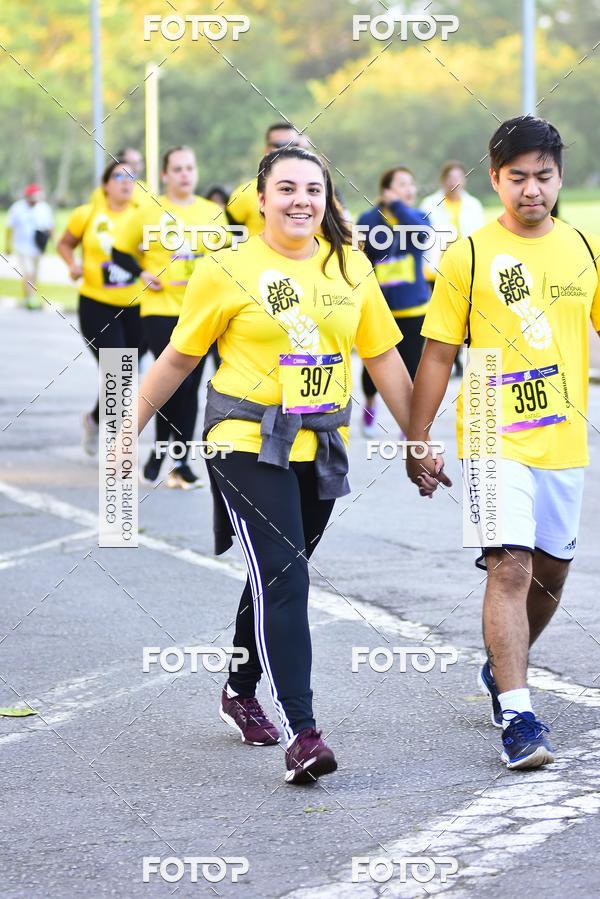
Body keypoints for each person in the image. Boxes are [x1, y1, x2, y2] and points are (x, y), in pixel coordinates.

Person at [136, 146, 440, 784]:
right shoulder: (226, 269)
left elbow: (385, 361)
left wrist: (419, 440)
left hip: (321, 444)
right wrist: (122, 430)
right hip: (242, 437)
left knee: (280, 571)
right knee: (284, 573)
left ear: (328, 199)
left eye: (314, 189)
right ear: (263, 197)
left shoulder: (352, 267)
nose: (301, 200)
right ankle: (304, 731)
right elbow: (176, 360)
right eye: (286, 188)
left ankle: (238, 686)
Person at [407, 116, 600, 770]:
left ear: (558, 178)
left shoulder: (583, 247)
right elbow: (437, 355)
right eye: (516, 177)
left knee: (551, 572)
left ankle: (500, 667)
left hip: (563, 435)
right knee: (510, 565)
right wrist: (417, 435)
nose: (530, 189)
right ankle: (518, 713)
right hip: (491, 428)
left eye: (542, 176)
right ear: (494, 179)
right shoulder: (469, 254)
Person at [112, 145, 228, 489]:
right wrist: (142, 274)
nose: (184, 174)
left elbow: (230, 258)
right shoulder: (149, 211)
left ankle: (170, 456)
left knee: (190, 385)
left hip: (202, 312)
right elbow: (119, 252)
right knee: (175, 382)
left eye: (189, 168)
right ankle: (170, 456)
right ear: (165, 174)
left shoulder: (212, 213)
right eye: (177, 168)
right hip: (160, 310)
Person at [57, 158, 143, 454]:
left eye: (131, 177)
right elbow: (64, 243)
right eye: (118, 176)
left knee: (123, 371)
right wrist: (72, 264)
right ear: (106, 184)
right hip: (97, 303)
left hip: (137, 305)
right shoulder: (88, 214)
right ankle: (114, 439)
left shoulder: (143, 216)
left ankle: (94, 418)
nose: (125, 182)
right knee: (116, 365)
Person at [357, 166, 431, 436]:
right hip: (379, 309)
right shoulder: (369, 219)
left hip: (413, 307)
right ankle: (369, 403)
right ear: (385, 189)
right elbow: (363, 254)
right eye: (401, 184)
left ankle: (409, 422)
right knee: (372, 370)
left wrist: (398, 206)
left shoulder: (417, 216)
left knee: (412, 367)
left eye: (411, 184)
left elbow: (421, 234)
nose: (409, 189)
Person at [226, 122, 299, 237]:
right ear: (266, 150)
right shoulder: (244, 193)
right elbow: (230, 238)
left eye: (293, 145)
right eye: (278, 145)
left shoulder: (320, 192)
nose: (286, 150)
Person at [5, 184, 54, 309]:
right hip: (22, 246)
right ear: (26, 196)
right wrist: (8, 245)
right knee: (28, 272)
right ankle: (31, 298)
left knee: (35, 274)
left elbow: (50, 227)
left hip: (37, 247)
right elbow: (9, 228)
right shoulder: (17, 208)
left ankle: (28, 297)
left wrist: (53, 242)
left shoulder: (44, 208)